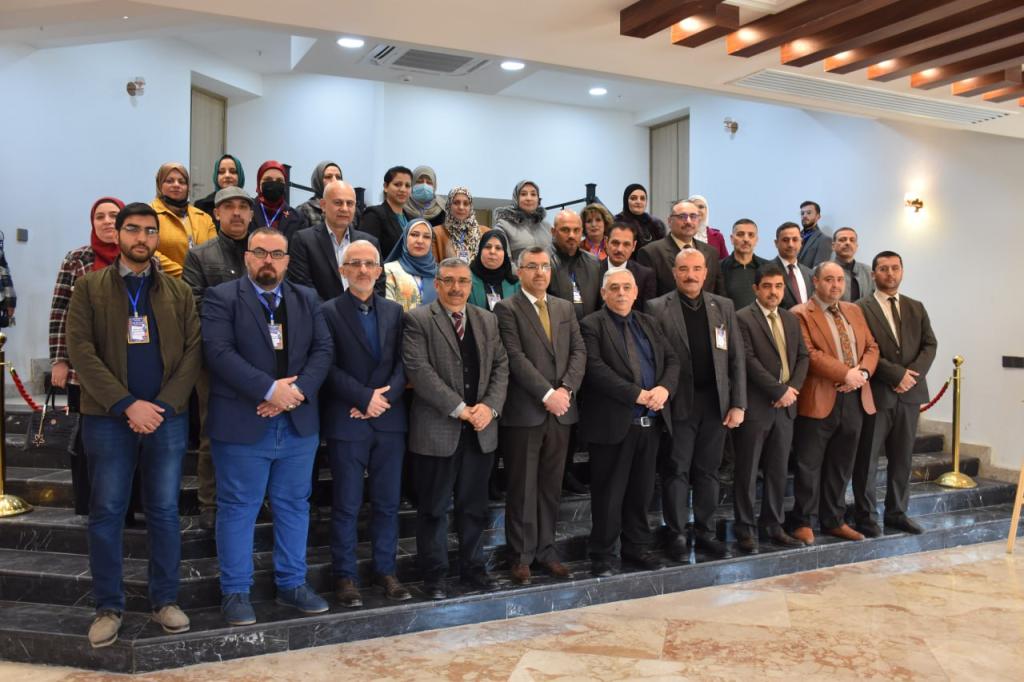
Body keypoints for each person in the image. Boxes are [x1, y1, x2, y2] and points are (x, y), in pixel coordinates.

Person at [66, 202, 201, 648]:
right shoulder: (89, 287)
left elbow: (192, 353)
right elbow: (81, 350)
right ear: (118, 234)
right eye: (133, 229)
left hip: (166, 418)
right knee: (107, 511)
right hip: (107, 417)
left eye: (149, 231)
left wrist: (160, 406)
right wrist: (127, 405)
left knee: (164, 510)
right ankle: (108, 606)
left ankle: (165, 600)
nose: (141, 238)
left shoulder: (179, 291)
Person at [201, 227, 333, 626]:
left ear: (288, 261)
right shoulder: (221, 297)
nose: (268, 261)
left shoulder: (307, 298)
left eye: (277, 254)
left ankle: (292, 584)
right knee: (238, 508)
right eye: (260, 252)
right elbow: (218, 353)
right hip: (243, 423)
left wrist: (296, 393)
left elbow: (323, 350)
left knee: (294, 505)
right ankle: (236, 592)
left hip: (297, 423)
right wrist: (270, 389)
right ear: (247, 256)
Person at [402, 257, 509, 600]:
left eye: (463, 281)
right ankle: (434, 576)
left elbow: (501, 367)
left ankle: (474, 568)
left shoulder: (487, 319)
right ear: (437, 284)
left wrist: (489, 407)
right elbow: (419, 371)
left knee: (474, 507)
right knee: (433, 509)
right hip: (437, 431)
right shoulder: (418, 319)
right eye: (448, 280)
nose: (456, 287)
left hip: (481, 430)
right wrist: (462, 410)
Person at [320, 240, 411, 607]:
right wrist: (363, 398)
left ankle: (385, 571)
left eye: (369, 263)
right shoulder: (326, 311)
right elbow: (325, 365)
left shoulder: (395, 311)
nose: (362, 270)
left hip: (389, 420)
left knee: (387, 503)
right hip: (347, 419)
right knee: (346, 504)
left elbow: (405, 363)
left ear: (379, 270)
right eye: (354, 263)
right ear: (342, 270)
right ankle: (345, 576)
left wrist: (382, 400)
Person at [646, 248, 746, 559]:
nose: (691, 275)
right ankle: (675, 533)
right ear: (674, 272)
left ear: (706, 273)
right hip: (678, 403)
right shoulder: (656, 307)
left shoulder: (723, 306)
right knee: (676, 469)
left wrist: (738, 403)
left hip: (716, 403)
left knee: (709, 470)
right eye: (684, 269)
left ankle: (705, 531)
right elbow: (654, 359)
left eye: (697, 269)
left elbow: (736, 358)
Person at [495, 246, 586, 585]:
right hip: (526, 412)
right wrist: (548, 394)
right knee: (522, 487)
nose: (539, 272)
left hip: (562, 410)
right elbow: (514, 357)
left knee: (550, 486)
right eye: (531, 266)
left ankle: (547, 550)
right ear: (519, 272)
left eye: (544, 266)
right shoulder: (506, 308)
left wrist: (566, 390)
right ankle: (520, 556)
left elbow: (578, 351)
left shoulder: (564, 307)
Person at [581, 269, 679, 577]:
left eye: (627, 287)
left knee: (641, 492)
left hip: (650, 423)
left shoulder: (649, 323)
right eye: (614, 288)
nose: (621, 293)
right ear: (604, 293)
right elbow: (594, 369)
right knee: (608, 495)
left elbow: (672, 360)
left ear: (636, 292)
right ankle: (604, 554)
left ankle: (637, 547)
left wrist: (664, 389)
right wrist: (636, 394)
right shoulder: (591, 325)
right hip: (612, 425)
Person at [790, 261, 879, 546]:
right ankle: (803, 521)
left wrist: (862, 373)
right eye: (829, 279)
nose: (836, 285)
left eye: (840, 280)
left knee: (842, 463)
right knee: (809, 464)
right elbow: (810, 353)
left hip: (854, 397)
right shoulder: (800, 313)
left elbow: (872, 347)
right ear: (815, 282)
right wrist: (845, 374)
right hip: (818, 398)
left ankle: (834, 519)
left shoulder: (854, 310)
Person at [182, 186, 255, 528]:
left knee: (257, 428)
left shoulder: (262, 251)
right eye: (229, 207)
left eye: (243, 207)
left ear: (252, 214)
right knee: (214, 430)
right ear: (216, 213)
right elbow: (195, 304)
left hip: (260, 359)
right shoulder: (200, 255)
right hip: (216, 359)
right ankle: (209, 504)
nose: (236, 213)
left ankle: (252, 495)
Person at [48, 196, 124, 516]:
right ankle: (88, 502)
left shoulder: (138, 257)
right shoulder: (77, 258)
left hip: (127, 367)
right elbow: (60, 310)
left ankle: (128, 504)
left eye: (114, 215)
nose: (107, 221)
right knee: (85, 439)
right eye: (100, 216)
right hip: (83, 369)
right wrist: (59, 359)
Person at [854, 251, 937, 537]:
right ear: (873, 274)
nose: (890, 274)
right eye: (884, 269)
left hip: (910, 395)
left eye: (895, 268)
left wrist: (911, 376)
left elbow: (930, 344)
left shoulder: (916, 307)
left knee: (902, 459)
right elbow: (864, 350)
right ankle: (866, 516)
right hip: (877, 394)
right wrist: (895, 375)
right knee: (867, 459)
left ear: (902, 271)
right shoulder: (859, 308)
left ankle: (897, 513)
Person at [733, 265, 808, 554]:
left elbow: (803, 357)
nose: (773, 291)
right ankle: (745, 529)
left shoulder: (790, 318)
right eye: (767, 286)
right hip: (757, 407)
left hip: (786, 408)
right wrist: (778, 390)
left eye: (778, 286)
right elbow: (747, 360)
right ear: (756, 289)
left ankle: (773, 525)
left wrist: (792, 390)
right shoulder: (742, 318)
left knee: (777, 471)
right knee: (748, 471)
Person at [288, 181, 383, 301]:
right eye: (338, 203)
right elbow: (303, 289)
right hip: (320, 312)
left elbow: (378, 286)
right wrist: (332, 311)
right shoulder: (303, 240)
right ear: (323, 205)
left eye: (350, 203)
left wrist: (361, 309)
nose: (344, 209)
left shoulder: (370, 242)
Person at [638, 199, 724, 297]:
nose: (688, 221)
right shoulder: (651, 253)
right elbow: (648, 299)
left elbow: (720, 295)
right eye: (682, 217)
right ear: (670, 221)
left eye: (693, 216)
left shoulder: (711, 253)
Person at [151, 162, 217, 278]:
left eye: (182, 182)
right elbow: (150, 250)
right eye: (170, 181)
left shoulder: (203, 217)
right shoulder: (149, 214)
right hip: (165, 284)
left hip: (202, 284)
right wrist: (184, 275)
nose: (176, 185)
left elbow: (215, 251)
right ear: (160, 184)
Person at [547, 209, 601, 320]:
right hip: (557, 329)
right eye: (565, 230)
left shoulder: (594, 263)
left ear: (582, 232)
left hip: (590, 328)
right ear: (553, 232)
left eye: (576, 230)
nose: (572, 235)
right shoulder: (543, 263)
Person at [599, 222, 656, 311]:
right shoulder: (593, 271)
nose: (620, 249)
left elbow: (647, 313)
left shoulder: (645, 275)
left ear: (634, 246)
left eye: (626, 244)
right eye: (615, 243)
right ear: (606, 242)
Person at [384, 219, 438, 312]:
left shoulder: (440, 273)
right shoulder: (390, 270)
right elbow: (388, 310)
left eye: (426, 237)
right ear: (405, 238)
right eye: (414, 235)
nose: (420, 241)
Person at [360, 165, 413, 258]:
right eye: (397, 184)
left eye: (407, 186)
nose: (403, 189)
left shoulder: (412, 219)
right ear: (385, 187)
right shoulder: (373, 215)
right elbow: (366, 251)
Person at [492, 180, 552, 261]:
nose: (529, 198)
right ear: (516, 198)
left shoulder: (547, 227)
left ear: (538, 199)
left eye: (533, 194)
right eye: (523, 194)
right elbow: (503, 261)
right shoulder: (503, 226)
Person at [253, 160, 308, 241]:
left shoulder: (298, 217)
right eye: (268, 180)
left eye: (279, 181)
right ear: (259, 184)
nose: (274, 184)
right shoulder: (248, 210)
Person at [433, 186, 489, 263]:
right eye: (456, 203)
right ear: (449, 206)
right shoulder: (436, 233)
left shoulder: (485, 232)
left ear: (471, 207)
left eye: (466, 204)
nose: (461, 207)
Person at [468, 230, 520, 311]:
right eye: (488, 247)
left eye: (498, 248)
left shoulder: (515, 284)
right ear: (480, 250)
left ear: (505, 254)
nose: (492, 251)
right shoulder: (466, 279)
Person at [721, 219, 768, 309]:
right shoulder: (719, 268)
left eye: (751, 235)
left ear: (756, 240)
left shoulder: (767, 268)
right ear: (732, 239)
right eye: (740, 234)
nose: (746, 239)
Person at [771, 222, 813, 310]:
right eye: (785, 240)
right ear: (776, 243)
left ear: (801, 242)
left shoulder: (809, 273)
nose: (790, 244)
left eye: (795, 239)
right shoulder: (767, 270)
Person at [614, 183, 666, 252]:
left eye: (642, 198)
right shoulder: (617, 222)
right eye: (633, 198)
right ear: (626, 201)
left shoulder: (656, 224)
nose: (638, 202)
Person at [830, 227, 874, 302]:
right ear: (833, 246)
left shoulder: (868, 271)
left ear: (856, 246)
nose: (848, 243)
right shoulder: (822, 271)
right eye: (842, 240)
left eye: (852, 240)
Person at [297, 160, 343, 226]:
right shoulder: (304, 210)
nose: (335, 181)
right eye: (328, 177)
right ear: (318, 181)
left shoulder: (348, 210)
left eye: (338, 177)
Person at [687, 194, 729, 260]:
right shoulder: (682, 233)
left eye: (701, 207)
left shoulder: (717, 237)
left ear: (706, 211)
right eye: (693, 207)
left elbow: (725, 262)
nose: (697, 210)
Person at [798, 200, 833, 269]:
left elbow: (819, 271)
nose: (804, 216)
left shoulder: (824, 240)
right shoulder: (794, 237)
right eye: (802, 213)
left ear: (818, 216)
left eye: (809, 213)